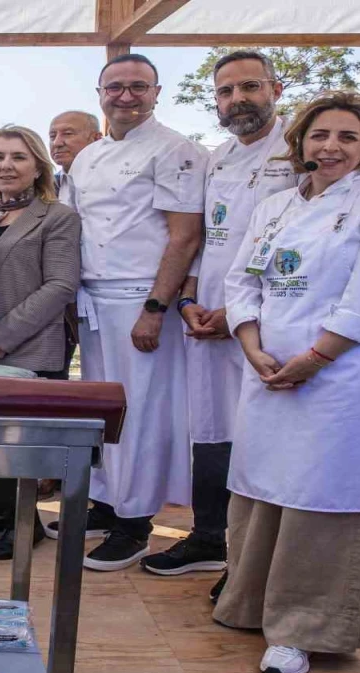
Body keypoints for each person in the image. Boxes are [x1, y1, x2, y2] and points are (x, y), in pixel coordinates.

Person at [216, 91, 360, 673]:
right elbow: (242, 281)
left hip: (338, 377)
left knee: (319, 495)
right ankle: (249, 604)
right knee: (262, 486)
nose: (331, 147)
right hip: (267, 368)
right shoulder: (274, 207)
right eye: (320, 135)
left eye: (347, 137)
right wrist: (252, 347)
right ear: (300, 141)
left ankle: (304, 628)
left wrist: (313, 357)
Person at [141, 50, 298, 579]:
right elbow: (202, 240)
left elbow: (301, 249)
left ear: (275, 89)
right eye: (226, 92)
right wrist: (187, 300)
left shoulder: (299, 154)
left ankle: (256, 561)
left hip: (266, 322)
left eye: (249, 87)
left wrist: (238, 313)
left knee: (261, 434)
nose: (238, 100)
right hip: (206, 321)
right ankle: (209, 536)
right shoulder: (219, 158)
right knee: (209, 430)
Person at [67, 53, 208, 571]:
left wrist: (156, 307)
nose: (126, 96)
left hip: (140, 298)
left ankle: (136, 523)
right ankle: (106, 502)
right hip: (93, 299)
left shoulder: (177, 150)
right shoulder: (88, 156)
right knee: (102, 410)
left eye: (138, 87)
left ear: (156, 92)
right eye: (115, 87)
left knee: (142, 412)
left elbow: (185, 234)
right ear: (100, 93)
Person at [0, 125, 80, 560]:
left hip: (30, 345)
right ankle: (2, 512)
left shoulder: (58, 216)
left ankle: (29, 526)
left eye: (18, 157)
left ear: (38, 166)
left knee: (23, 441)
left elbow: (61, 286)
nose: (6, 165)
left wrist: (2, 339)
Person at [47, 111, 103, 206]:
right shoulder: (45, 188)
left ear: (96, 139)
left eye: (68, 134)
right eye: (52, 136)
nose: (56, 143)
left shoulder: (115, 180)